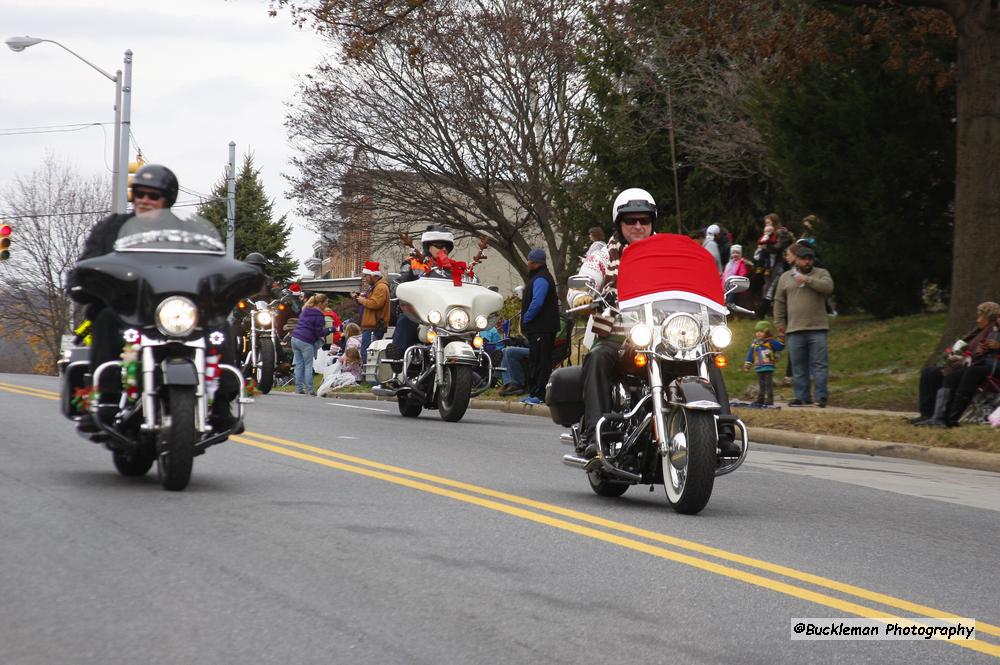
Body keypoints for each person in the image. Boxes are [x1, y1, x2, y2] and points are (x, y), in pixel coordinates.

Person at [67, 164, 249, 429]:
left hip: (175, 312)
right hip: (127, 312)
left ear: (167, 199)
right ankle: (106, 399)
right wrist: (80, 282)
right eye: (139, 193)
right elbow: (87, 262)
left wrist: (231, 282)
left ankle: (221, 403)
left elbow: (211, 264)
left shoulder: (188, 233)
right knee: (106, 318)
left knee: (219, 326)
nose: (144, 200)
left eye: (153, 195)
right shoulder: (112, 228)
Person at [566, 188, 740, 457]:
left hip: (670, 336)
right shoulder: (603, 254)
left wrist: (718, 294)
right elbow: (586, 276)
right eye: (630, 220)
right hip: (622, 337)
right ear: (618, 223)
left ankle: (725, 432)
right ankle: (595, 433)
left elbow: (695, 278)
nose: (638, 226)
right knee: (598, 358)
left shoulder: (669, 251)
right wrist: (580, 295)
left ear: (652, 222)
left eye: (644, 220)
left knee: (708, 356)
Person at [914, 301, 1000, 427]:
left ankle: (949, 418)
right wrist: (962, 355)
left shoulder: (991, 330)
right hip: (977, 363)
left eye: (981, 317)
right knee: (930, 372)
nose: (978, 320)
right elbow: (976, 352)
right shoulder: (986, 331)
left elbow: (984, 355)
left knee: (963, 373)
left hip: (988, 366)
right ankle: (932, 415)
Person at [773, 244, 835, 407]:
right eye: (803, 259)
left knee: (820, 364)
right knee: (798, 366)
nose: (807, 262)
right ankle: (802, 397)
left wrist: (807, 280)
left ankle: (821, 397)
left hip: (818, 328)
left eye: (809, 259)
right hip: (794, 328)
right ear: (797, 261)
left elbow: (828, 288)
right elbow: (779, 301)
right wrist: (779, 322)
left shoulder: (821, 273)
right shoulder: (786, 277)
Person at [519, 248, 560, 405]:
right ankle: (534, 391)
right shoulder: (538, 277)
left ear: (534, 262)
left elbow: (538, 302)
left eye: (529, 260)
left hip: (542, 328)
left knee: (541, 361)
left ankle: (539, 394)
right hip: (539, 328)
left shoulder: (541, 279)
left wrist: (527, 318)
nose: (527, 263)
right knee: (535, 360)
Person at [291, 294, 336, 395]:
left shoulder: (305, 310)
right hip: (306, 341)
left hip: (295, 338)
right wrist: (331, 329)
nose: (327, 304)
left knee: (299, 365)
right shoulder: (319, 315)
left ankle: (298, 389)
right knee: (308, 365)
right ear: (320, 303)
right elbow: (319, 333)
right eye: (326, 302)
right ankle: (310, 390)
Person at [755, 213, 795, 317]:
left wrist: (766, 247)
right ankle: (770, 313)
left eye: (768, 222)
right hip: (773, 265)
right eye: (766, 223)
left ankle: (760, 313)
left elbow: (778, 247)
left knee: (771, 288)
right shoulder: (771, 234)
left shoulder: (782, 232)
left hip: (782, 263)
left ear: (774, 222)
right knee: (771, 288)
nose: (767, 225)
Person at [354, 261, 390, 365]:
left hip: (374, 326)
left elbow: (375, 304)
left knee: (369, 353)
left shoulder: (381, 287)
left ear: (372, 275)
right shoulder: (376, 287)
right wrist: (359, 298)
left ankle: (373, 380)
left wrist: (361, 300)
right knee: (368, 352)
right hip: (371, 326)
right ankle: (370, 378)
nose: (365, 278)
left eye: (366, 276)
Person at [743, 321, 785, 406]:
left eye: (761, 331)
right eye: (757, 331)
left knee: (768, 384)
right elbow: (750, 355)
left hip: (768, 367)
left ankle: (770, 399)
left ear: (767, 332)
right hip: (759, 367)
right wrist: (747, 364)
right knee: (761, 384)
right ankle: (760, 399)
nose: (758, 333)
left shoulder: (771, 342)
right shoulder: (755, 344)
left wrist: (781, 336)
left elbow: (780, 346)